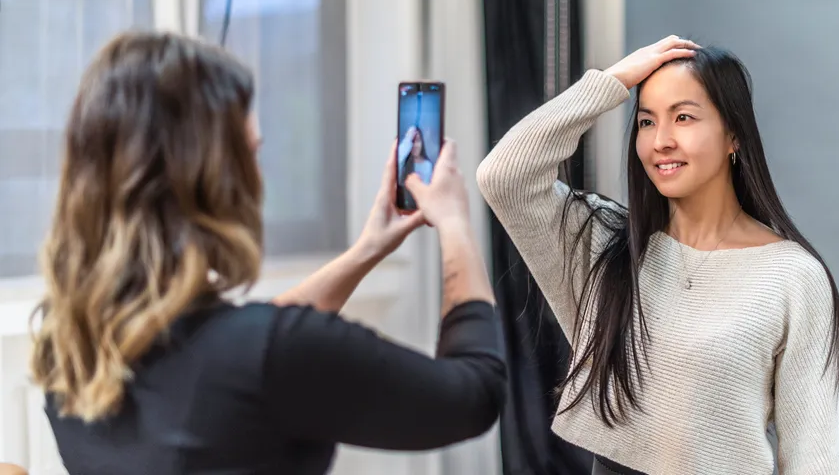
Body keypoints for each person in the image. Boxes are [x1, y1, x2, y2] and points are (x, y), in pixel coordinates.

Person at [30, 31, 505, 475]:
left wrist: (367, 251)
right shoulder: (269, 355)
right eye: (251, 154)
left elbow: (233, 349)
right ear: (209, 178)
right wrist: (456, 225)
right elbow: (474, 392)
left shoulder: (68, 346)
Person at [476, 35, 839, 475]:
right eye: (647, 122)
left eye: (683, 117)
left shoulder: (792, 276)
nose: (661, 141)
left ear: (733, 135)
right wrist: (613, 82)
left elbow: (812, 457)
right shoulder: (606, 247)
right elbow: (503, 176)